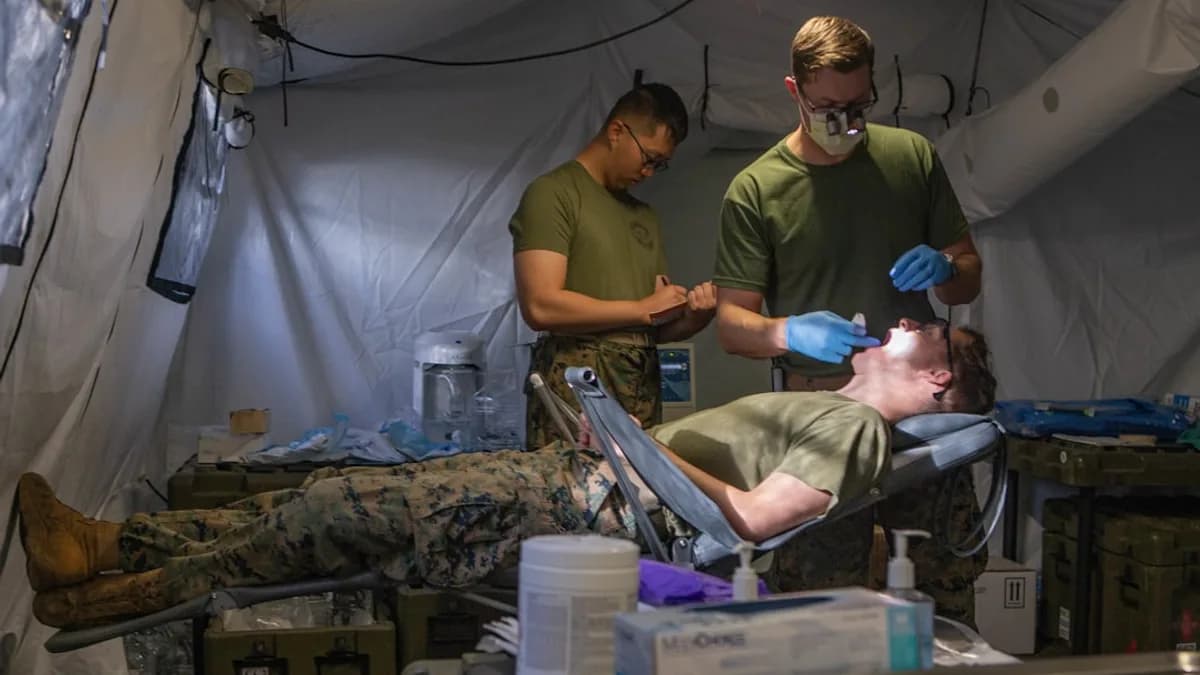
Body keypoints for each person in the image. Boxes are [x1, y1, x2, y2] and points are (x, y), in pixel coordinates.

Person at [19, 319, 995, 629]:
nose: (893, 319)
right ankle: (100, 546)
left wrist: (634, 446)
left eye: (916, 328)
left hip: (594, 504)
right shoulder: (830, 403)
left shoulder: (854, 430)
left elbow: (752, 519)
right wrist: (619, 439)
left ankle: (118, 586)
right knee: (320, 499)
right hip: (581, 477)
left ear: (938, 377)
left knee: (339, 515)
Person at [712, 15, 987, 624]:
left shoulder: (909, 158)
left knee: (942, 592)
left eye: (859, 105)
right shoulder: (758, 190)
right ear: (795, 91)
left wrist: (946, 265)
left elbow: (969, 275)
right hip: (821, 418)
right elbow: (731, 326)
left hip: (918, 423)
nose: (846, 122)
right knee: (817, 604)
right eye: (828, 108)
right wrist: (788, 331)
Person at [509, 82, 717, 450]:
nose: (649, 172)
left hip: (640, 387)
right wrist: (642, 309)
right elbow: (540, 306)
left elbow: (649, 328)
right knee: (572, 486)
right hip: (577, 385)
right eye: (649, 158)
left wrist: (693, 319)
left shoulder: (644, 216)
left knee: (640, 485)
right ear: (617, 131)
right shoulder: (554, 194)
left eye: (660, 165)